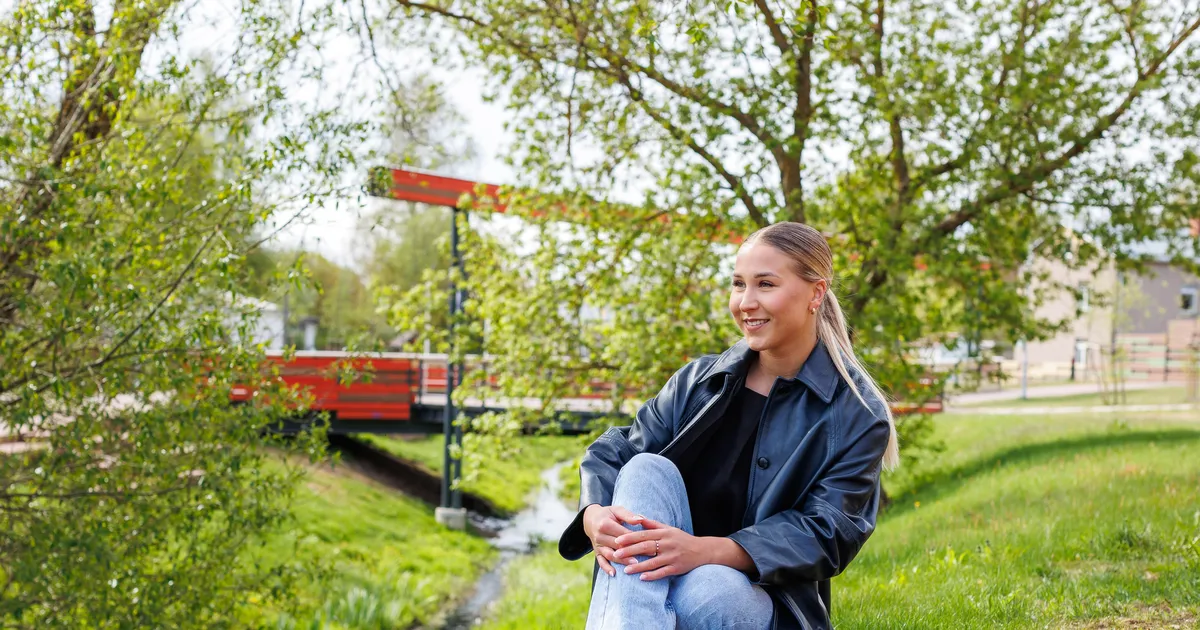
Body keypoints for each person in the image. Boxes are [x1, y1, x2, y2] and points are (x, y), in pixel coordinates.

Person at [557, 222, 900, 630]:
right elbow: (615, 453)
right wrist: (593, 514)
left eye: (766, 284)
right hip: (657, 579)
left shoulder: (857, 412)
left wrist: (707, 551)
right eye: (739, 284)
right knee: (646, 469)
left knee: (712, 586)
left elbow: (827, 533)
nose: (746, 302)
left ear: (816, 293)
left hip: (762, 598)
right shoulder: (698, 380)